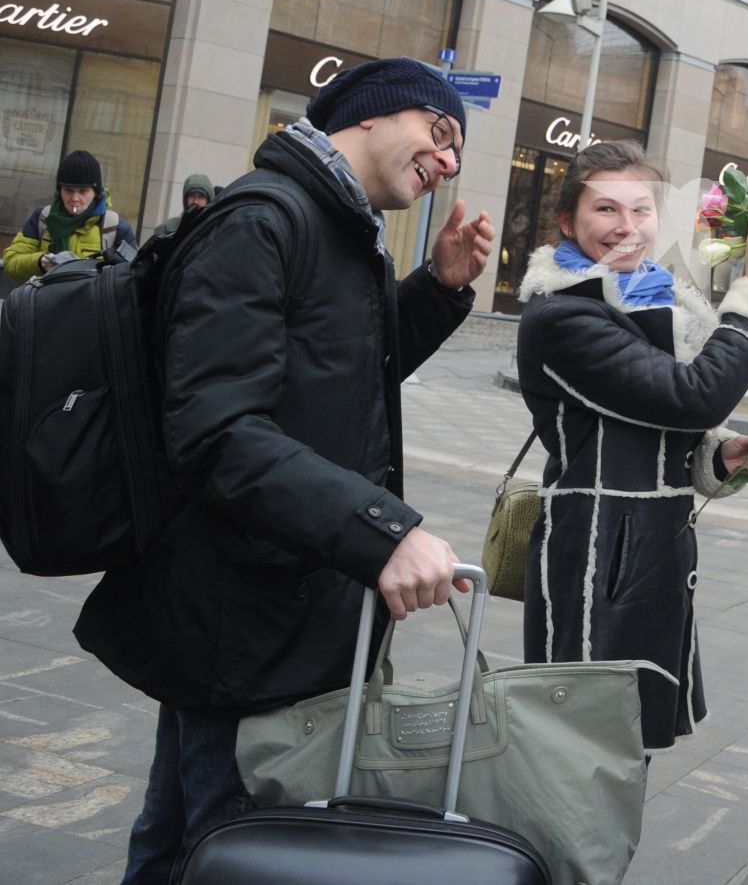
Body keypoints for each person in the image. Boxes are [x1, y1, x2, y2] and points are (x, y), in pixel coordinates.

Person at [73, 57, 497, 883]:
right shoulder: (266, 221)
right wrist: (384, 534)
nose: (448, 162)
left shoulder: (338, 228)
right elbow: (217, 432)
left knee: (182, 848)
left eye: (457, 152)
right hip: (244, 620)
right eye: (439, 133)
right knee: (229, 852)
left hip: (272, 616)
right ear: (370, 114)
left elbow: (338, 385)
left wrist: (438, 288)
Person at [516, 140, 748, 749]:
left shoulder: (648, 297)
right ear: (568, 221)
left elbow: (659, 418)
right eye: (606, 210)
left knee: (626, 746)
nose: (627, 227)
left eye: (641, 210)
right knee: (584, 745)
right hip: (599, 554)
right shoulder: (564, 315)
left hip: (648, 552)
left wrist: (714, 458)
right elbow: (693, 396)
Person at [3, 149, 137, 282]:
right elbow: (11, 263)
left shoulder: (115, 226)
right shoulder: (43, 218)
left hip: (92, 302)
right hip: (46, 301)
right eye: (68, 190)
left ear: (96, 192)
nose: (75, 198)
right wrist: (40, 262)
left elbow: (134, 275)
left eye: (83, 191)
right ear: (59, 190)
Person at [147, 172, 215, 241]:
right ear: (185, 199)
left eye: (201, 197)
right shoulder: (167, 229)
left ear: (208, 200)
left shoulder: (214, 230)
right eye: (191, 196)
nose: (195, 201)